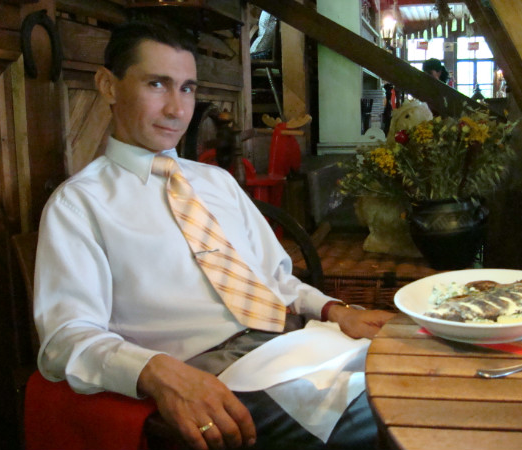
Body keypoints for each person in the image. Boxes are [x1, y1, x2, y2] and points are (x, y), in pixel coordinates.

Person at [33, 16, 396, 450]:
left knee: (417, 371)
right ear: (108, 86)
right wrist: (157, 371)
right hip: (217, 371)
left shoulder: (216, 182)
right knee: (388, 416)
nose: (176, 109)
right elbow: (65, 337)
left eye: (187, 88)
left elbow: (275, 279)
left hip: (300, 341)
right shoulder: (80, 204)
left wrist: (335, 310)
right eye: (156, 84)